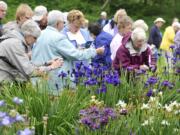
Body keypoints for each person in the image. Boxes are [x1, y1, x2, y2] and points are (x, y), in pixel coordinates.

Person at [31, 10, 104, 92]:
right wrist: (95, 51)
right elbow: (75, 54)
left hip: (37, 81)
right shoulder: (59, 37)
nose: (64, 24)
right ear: (58, 23)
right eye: (63, 22)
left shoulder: (40, 33)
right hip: (52, 83)